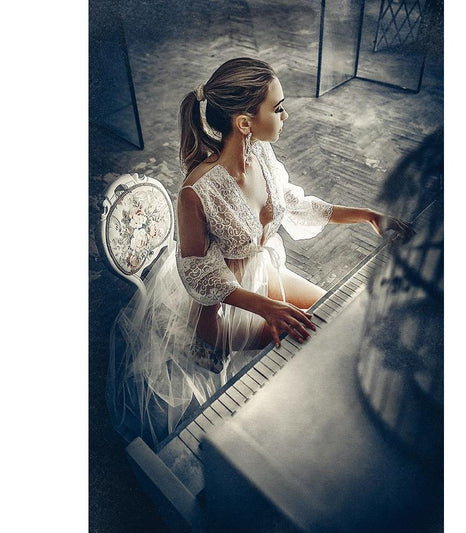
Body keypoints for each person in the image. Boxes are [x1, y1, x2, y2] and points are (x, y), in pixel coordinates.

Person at [107, 57, 413, 448]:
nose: (285, 116)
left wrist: (369, 216)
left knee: (331, 314)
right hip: (218, 311)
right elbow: (202, 277)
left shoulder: (261, 154)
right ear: (244, 122)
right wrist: (266, 308)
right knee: (302, 340)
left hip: (261, 273)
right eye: (278, 107)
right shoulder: (197, 191)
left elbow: (294, 205)